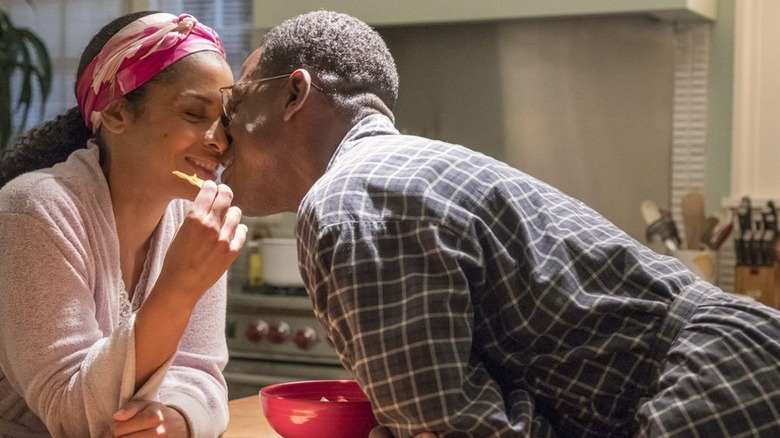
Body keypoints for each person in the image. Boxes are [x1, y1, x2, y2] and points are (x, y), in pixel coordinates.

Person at [220, 10, 780, 438]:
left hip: (713, 384)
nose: (222, 129)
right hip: (734, 361)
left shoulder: (350, 199)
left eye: (237, 100)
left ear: (296, 93)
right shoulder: (402, 171)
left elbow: (450, 427)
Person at [0, 11, 246, 437]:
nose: (219, 140)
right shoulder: (34, 211)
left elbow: (203, 374)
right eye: (193, 113)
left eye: (225, 120)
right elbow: (71, 415)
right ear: (116, 114)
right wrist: (180, 284)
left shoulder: (193, 219)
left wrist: (179, 419)